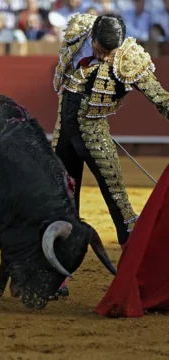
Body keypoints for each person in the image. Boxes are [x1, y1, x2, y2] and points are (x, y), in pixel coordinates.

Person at [51, 12, 169, 297]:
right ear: (92, 39)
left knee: (121, 209)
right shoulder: (78, 34)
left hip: (95, 137)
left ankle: (138, 279)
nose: (105, 58)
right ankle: (56, 279)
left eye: (110, 53)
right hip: (64, 135)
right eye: (101, 52)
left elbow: (161, 99)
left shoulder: (130, 59)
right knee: (60, 206)